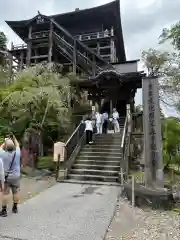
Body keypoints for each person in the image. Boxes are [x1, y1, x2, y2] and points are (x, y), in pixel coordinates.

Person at [0, 134, 21, 217]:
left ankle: (4, 211)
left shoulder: (2, 154)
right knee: (16, 192)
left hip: (7, 177)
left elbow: (0, 147)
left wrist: (5, 141)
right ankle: (15, 208)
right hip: (16, 176)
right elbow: (18, 145)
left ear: (5, 146)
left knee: (5, 193)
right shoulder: (17, 153)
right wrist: (14, 138)